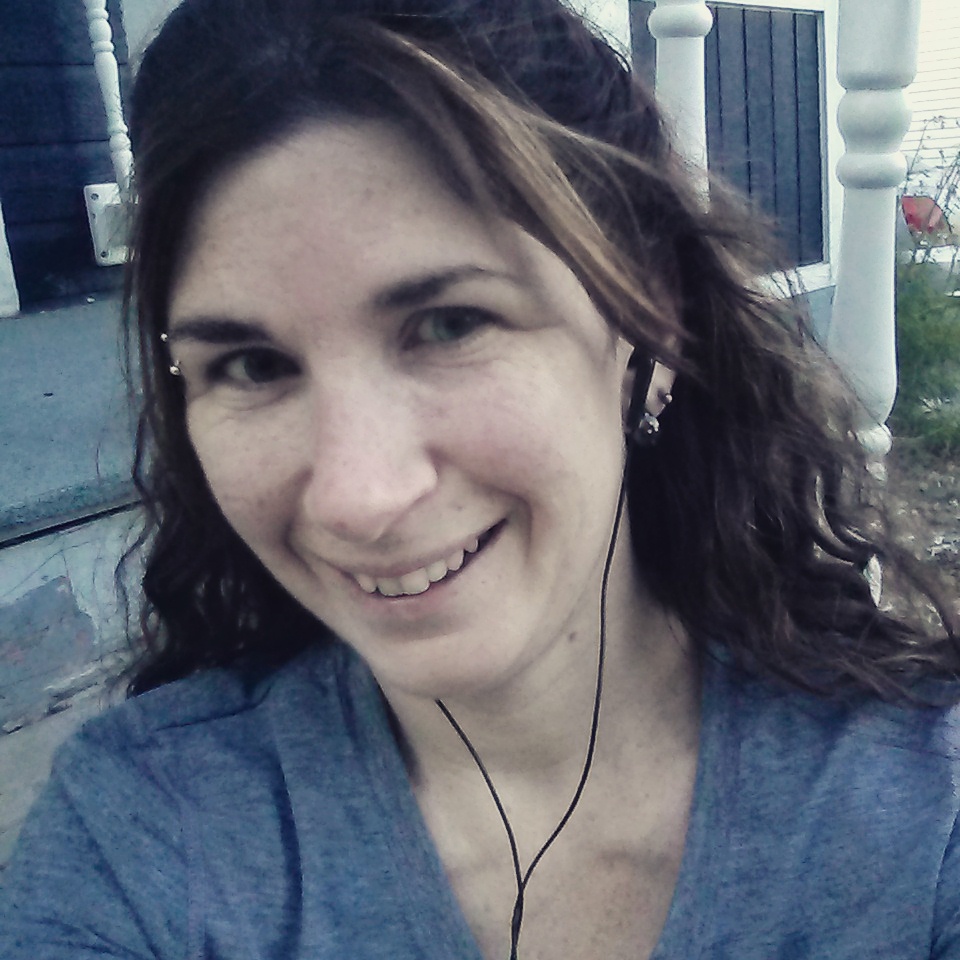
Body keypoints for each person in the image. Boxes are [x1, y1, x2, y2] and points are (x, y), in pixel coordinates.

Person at [2, 0, 959, 956]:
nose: (358, 497)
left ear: (651, 327)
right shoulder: (138, 838)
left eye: (451, 324)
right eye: (253, 366)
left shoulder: (923, 825)